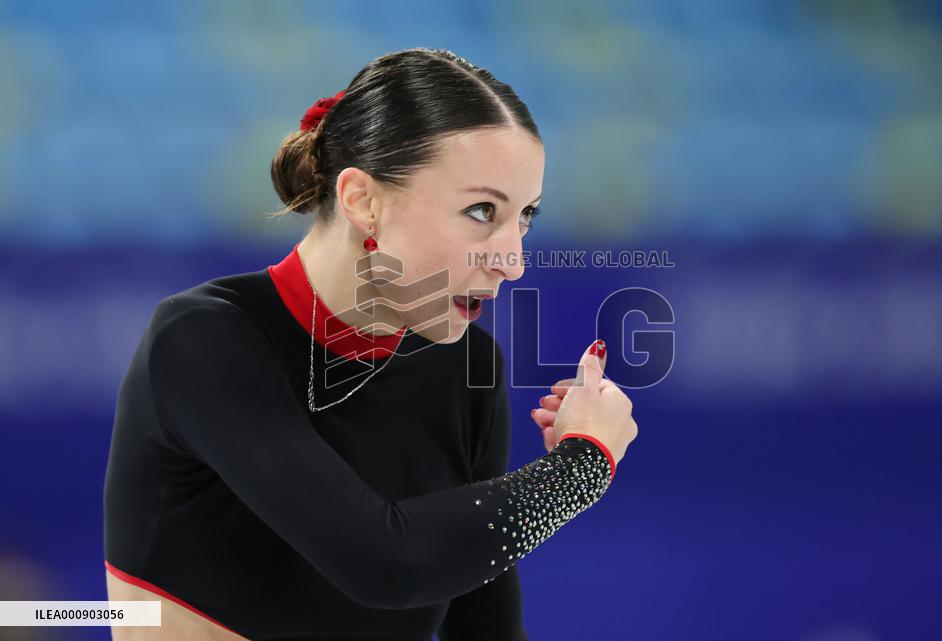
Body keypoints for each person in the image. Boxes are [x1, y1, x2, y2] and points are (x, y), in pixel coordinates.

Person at [103, 47, 638, 641]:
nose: (513, 261)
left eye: (526, 216)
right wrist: (581, 467)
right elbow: (383, 564)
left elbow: (485, 627)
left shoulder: (467, 365)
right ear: (363, 200)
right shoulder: (202, 339)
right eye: (481, 210)